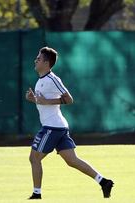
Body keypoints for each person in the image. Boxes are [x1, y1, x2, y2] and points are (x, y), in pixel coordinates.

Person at [25, 47, 114, 199]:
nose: (36, 60)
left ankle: (36, 194)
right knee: (72, 161)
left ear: (46, 63)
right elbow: (43, 102)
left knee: (34, 158)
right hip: (57, 126)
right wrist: (34, 99)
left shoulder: (53, 79)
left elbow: (69, 99)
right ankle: (103, 181)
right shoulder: (41, 80)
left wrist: (45, 101)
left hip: (52, 127)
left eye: (38, 58)